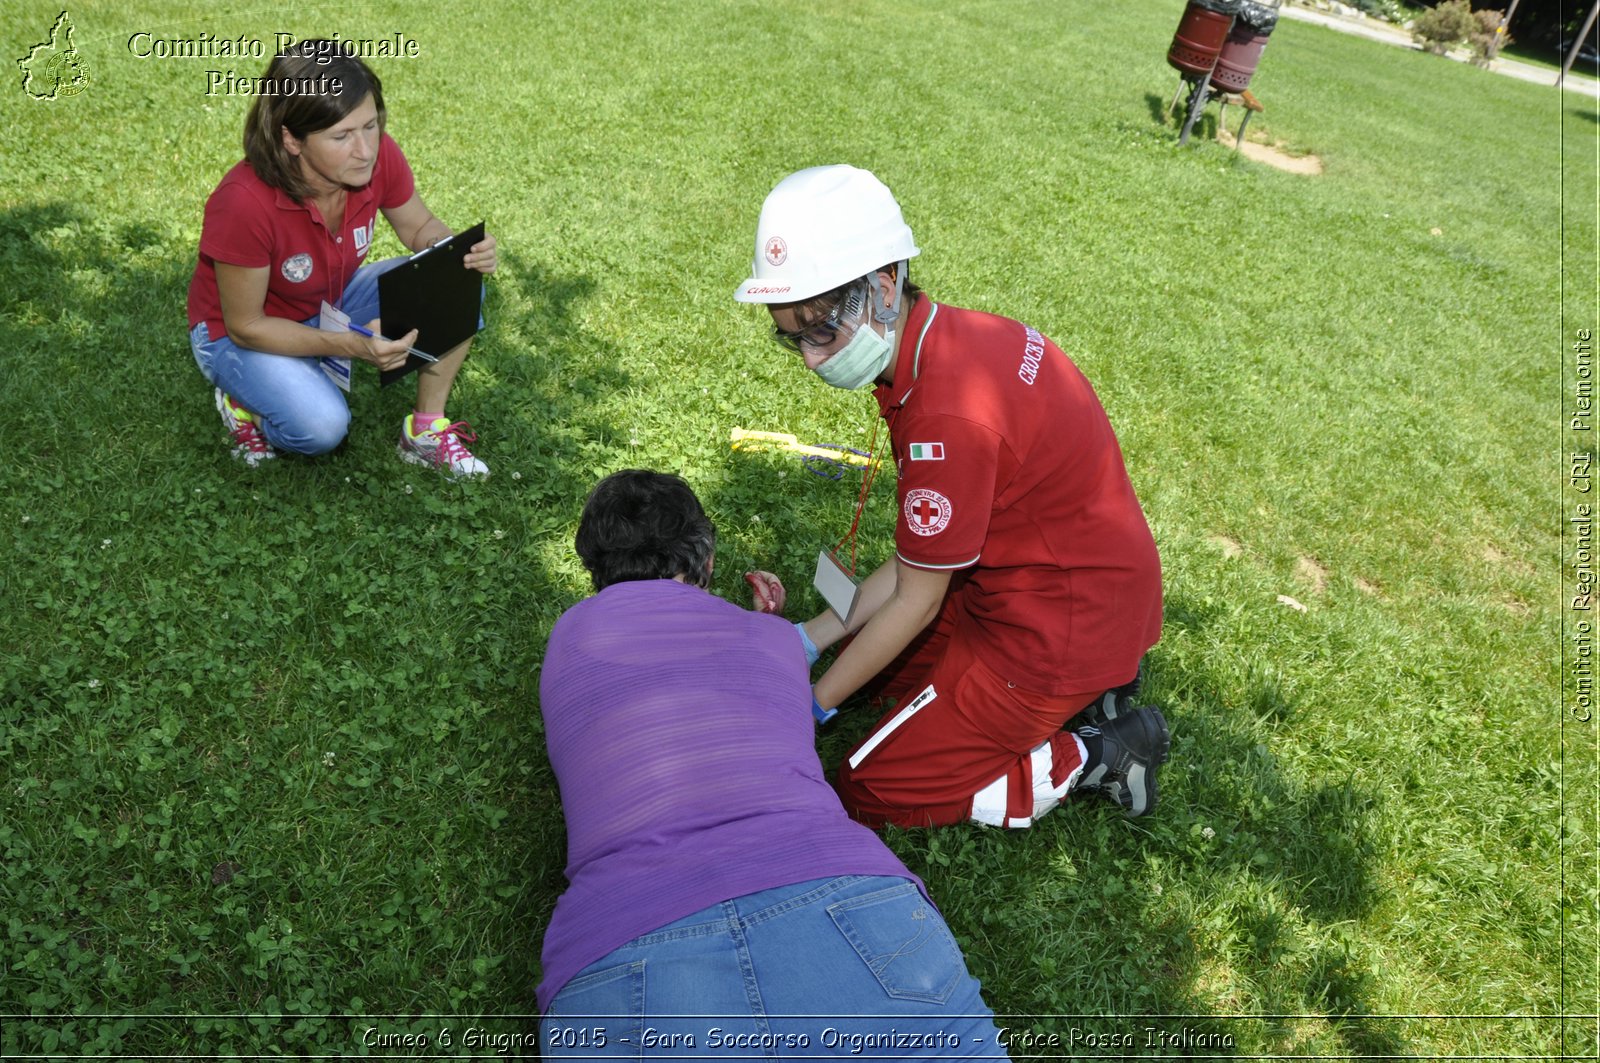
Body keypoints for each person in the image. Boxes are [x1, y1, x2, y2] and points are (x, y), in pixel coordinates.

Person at [733, 165, 1168, 830]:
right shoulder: (949, 338)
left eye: (821, 331)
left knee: (869, 787)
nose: (811, 361)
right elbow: (920, 565)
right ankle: (1093, 689)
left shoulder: (948, 415)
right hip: (1024, 585)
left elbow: (918, 594)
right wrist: (809, 640)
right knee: (875, 676)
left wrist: (813, 702)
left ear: (882, 287)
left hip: (1057, 627)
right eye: (793, 338)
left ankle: (1100, 751)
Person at [537, 470, 1008, 1059]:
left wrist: (761, 629)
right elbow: (768, 652)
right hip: (841, 891)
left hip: (627, 937)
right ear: (706, 558)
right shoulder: (769, 640)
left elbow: (670, 657)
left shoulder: (570, 639)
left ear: (593, 566)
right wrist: (763, 626)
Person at [185, 39, 496, 477]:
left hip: (326, 300)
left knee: (454, 273)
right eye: (341, 136)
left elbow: (418, 228)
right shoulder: (243, 203)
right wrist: (352, 345)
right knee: (320, 429)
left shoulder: (375, 157)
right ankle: (242, 404)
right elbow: (246, 325)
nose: (365, 149)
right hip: (237, 335)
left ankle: (424, 430)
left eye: (370, 126)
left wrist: (456, 249)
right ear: (290, 139)